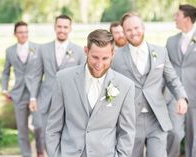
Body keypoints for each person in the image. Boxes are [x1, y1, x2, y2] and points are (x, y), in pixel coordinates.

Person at [45, 29, 136, 157]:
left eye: (105, 58)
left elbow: (127, 132)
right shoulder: (63, 79)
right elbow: (53, 127)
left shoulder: (125, 86)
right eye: (95, 57)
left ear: (113, 54)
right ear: (86, 51)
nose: (99, 64)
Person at [112, 12, 188, 157]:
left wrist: (181, 97)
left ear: (143, 27)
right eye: (129, 30)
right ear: (124, 32)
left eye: (136, 28)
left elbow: (172, 79)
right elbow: (111, 86)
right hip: (130, 120)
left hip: (157, 118)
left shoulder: (160, 52)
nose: (133, 32)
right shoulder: (116, 57)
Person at [30, 14, 85, 128]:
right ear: (54, 27)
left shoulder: (79, 51)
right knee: (46, 134)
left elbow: (83, 78)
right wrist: (33, 97)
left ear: (70, 29)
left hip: (70, 101)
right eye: (59, 26)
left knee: (67, 136)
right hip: (46, 99)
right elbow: (36, 76)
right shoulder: (42, 49)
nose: (62, 30)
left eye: (65, 27)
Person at [166, 4, 196, 157]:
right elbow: (165, 68)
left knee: (194, 137)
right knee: (174, 133)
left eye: (178, 15)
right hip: (174, 97)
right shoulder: (170, 41)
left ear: (187, 19)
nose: (175, 18)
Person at [1, 21, 45, 157]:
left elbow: (43, 70)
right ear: (15, 34)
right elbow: (6, 72)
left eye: (26, 32)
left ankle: (39, 151)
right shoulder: (10, 51)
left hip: (36, 93)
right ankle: (26, 154)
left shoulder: (37, 48)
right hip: (18, 94)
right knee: (22, 129)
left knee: (39, 125)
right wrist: (4, 88)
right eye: (20, 32)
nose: (24, 35)